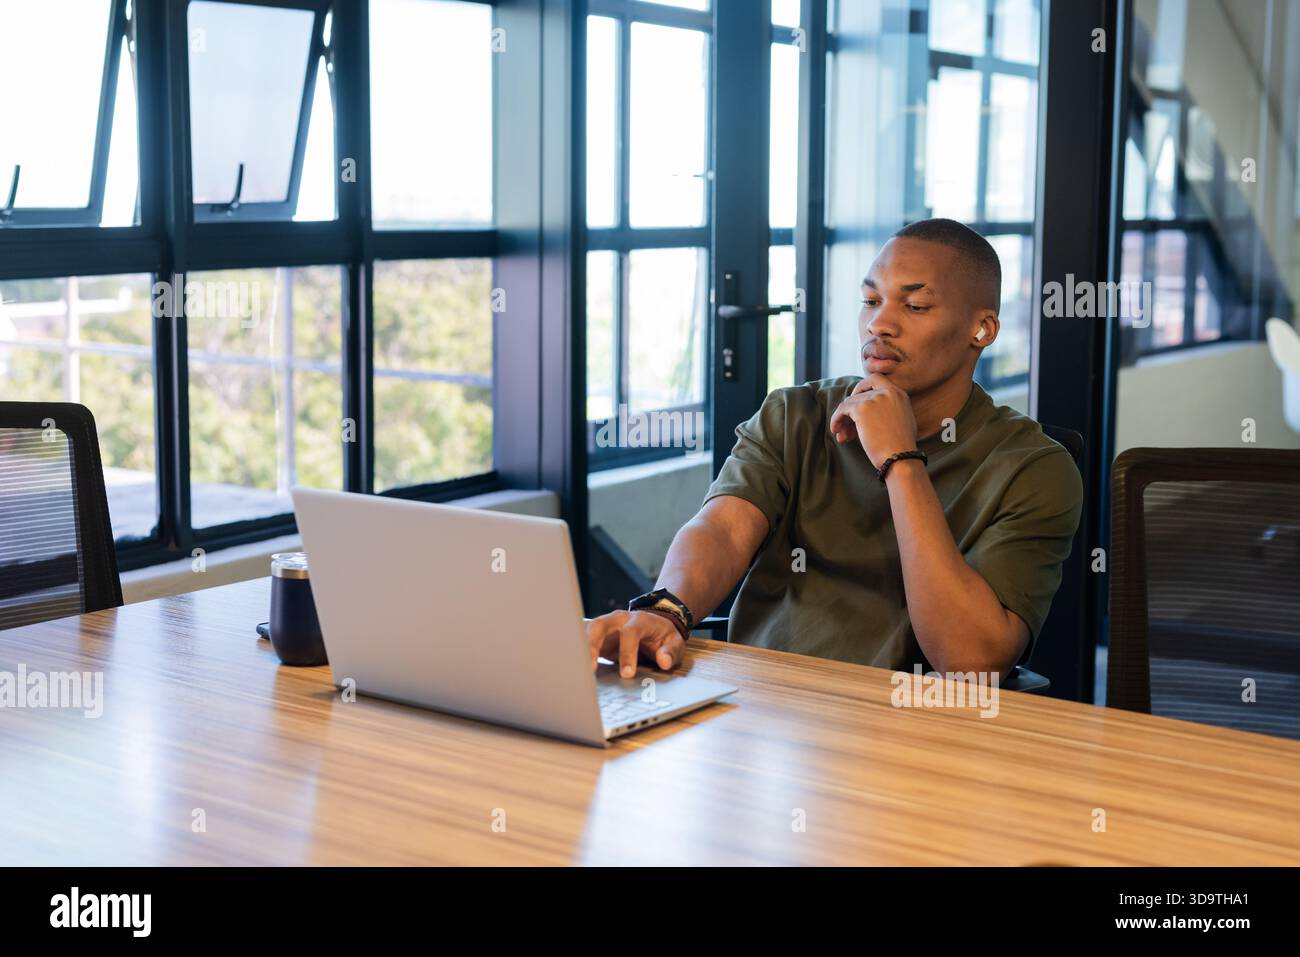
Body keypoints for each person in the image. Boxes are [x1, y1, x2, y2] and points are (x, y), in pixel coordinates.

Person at [586, 218, 1083, 682]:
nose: (879, 325)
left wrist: (900, 460)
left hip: (915, 729)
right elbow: (722, 530)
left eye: (914, 306)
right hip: (765, 703)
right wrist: (665, 610)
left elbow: (970, 661)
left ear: (983, 329)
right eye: (871, 301)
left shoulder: (1034, 467)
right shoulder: (796, 415)